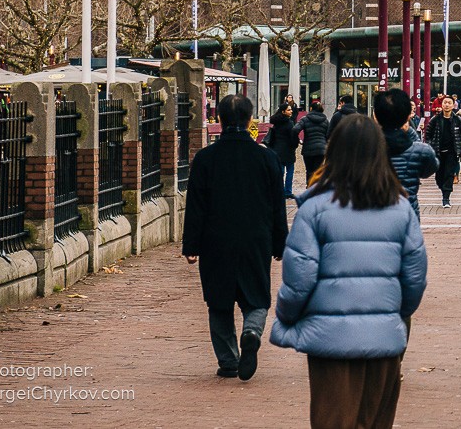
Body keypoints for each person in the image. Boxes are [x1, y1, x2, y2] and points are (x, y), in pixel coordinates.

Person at [271, 116, 428, 429]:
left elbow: (299, 278)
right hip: (384, 337)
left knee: (334, 420)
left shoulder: (315, 208)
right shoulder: (400, 208)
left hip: (330, 340)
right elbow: (414, 277)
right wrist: (393, 314)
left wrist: (287, 316)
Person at [181, 94, 287, 381]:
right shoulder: (267, 158)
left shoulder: (205, 159)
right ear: (250, 121)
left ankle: (228, 360)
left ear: (219, 120)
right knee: (257, 298)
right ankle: (252, 331)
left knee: (219, 301)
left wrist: (190, 245)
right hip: (256, 237)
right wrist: (280, 242)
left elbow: (196, 205)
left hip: (216, 239)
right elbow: (278, 205)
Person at [374, 88, 439, 216]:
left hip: (374, 211)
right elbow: (431, 168)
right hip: (408, 211)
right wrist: (410, 131)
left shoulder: (365, 146)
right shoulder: (421, 151)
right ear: (407, 115)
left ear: (376, 115)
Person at [423, 95, 461, 208]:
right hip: (438, 151)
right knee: (439, 176)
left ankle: (446, 198)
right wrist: (430, 145)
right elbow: (428, 135)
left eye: (449, 103)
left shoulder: (458, 120)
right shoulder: (435, 120)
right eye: (445, 103)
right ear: (442, 105)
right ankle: (443, 189)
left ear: (453, 105)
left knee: (449, 174)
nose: (447, 105)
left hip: (452, 152)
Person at [267, 100, 300, 200]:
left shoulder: (276, 122)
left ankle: (279, 190)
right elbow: (293, 136)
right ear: (283, 111)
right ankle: (288, 191)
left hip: (277, 150)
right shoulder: (289, 123)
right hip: (288, 150)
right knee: (289, 172)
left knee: (280, 172)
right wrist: (295, 145)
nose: (291, 111)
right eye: (289, 110)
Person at [296, 100, 330, 186]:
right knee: (318, 170)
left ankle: (309, 186)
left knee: (309, 170)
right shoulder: (325, 120)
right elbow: (329, 133)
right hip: (321, 149)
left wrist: (297, 140)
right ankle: (317, 188)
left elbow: (295, 130)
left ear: (311, 108)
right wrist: (325, 142)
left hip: (308, 148)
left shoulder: (305, 119)